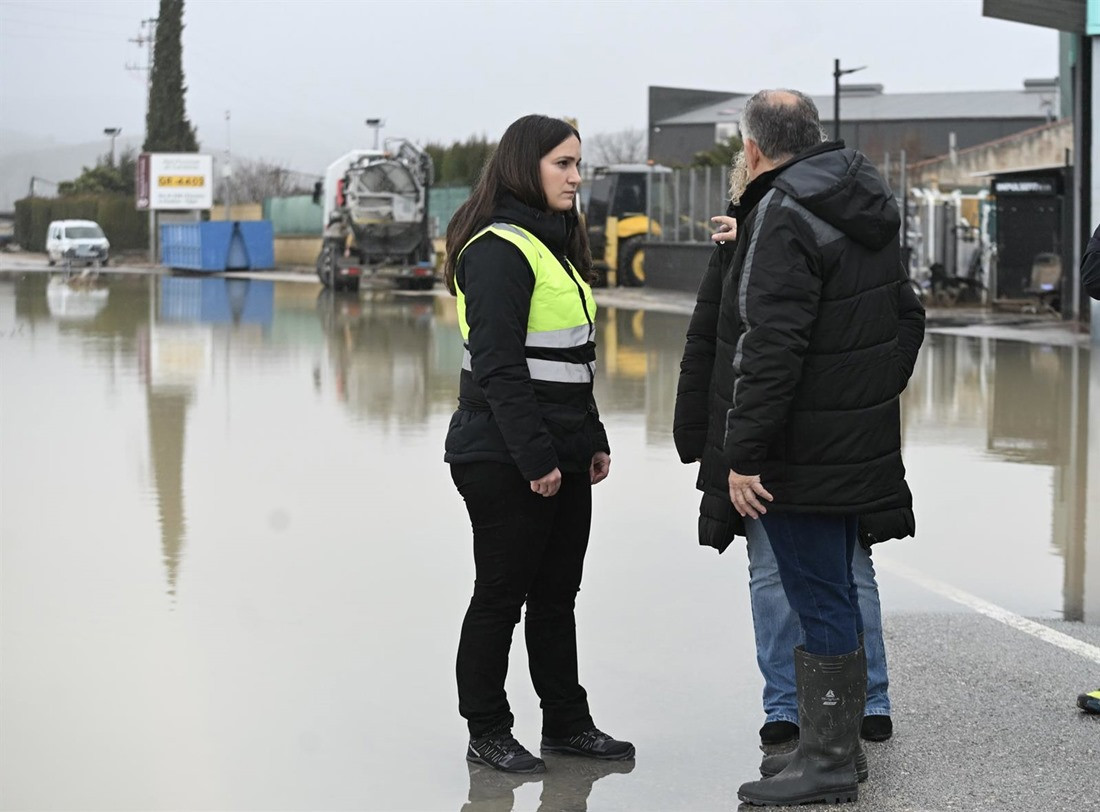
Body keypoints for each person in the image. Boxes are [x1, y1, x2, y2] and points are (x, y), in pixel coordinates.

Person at [672, 89, 920, 806]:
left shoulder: (783, 213)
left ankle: (831, 764)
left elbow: (769, 348)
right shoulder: (859, 197)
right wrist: (864, 401)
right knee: (835, 588)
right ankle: (829, 747)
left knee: (816, 596)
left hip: (798, 455)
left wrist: (742, 455)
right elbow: (907, 318)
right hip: (847, 444)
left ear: (752, 150)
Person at [443, 114, 634, 775]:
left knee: (557, 596)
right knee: (501, 595)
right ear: (527, 167)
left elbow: (570, 359)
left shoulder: (552, 245)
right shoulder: (499, 249)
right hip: (503, 455)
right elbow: (497, 366)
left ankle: (567, 725)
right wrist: (537, 460)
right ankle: (488, 730)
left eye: (579, 164)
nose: (577, 177)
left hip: (560, 449)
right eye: (563, 164)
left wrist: (592, 439)